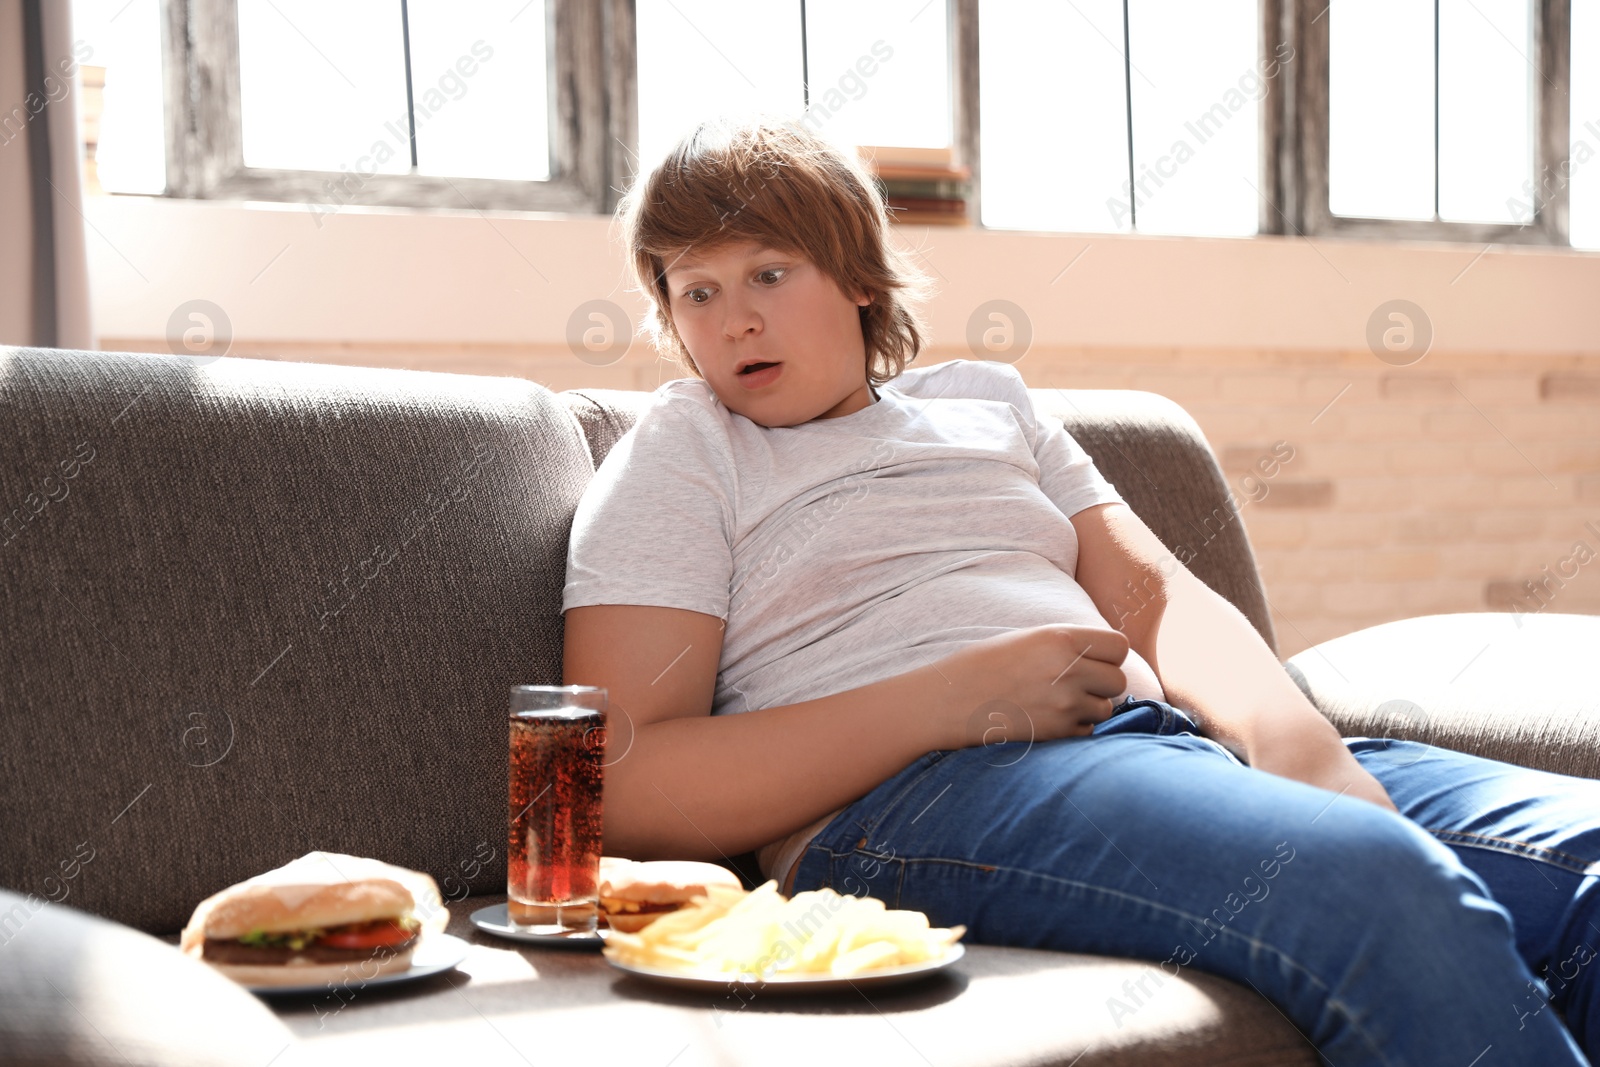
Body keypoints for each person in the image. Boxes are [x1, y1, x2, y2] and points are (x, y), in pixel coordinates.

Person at [562, 116, 1600, 1066]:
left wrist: (1298, 743)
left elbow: (1159, 597)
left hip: (1165, 749)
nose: (735, 319)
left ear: (857, 278)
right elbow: (616, 781)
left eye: (769, 273)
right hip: (917, 801)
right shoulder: (685, 451)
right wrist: (951, 700)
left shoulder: (986, 403)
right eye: (695, 289)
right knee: (1367, 877)